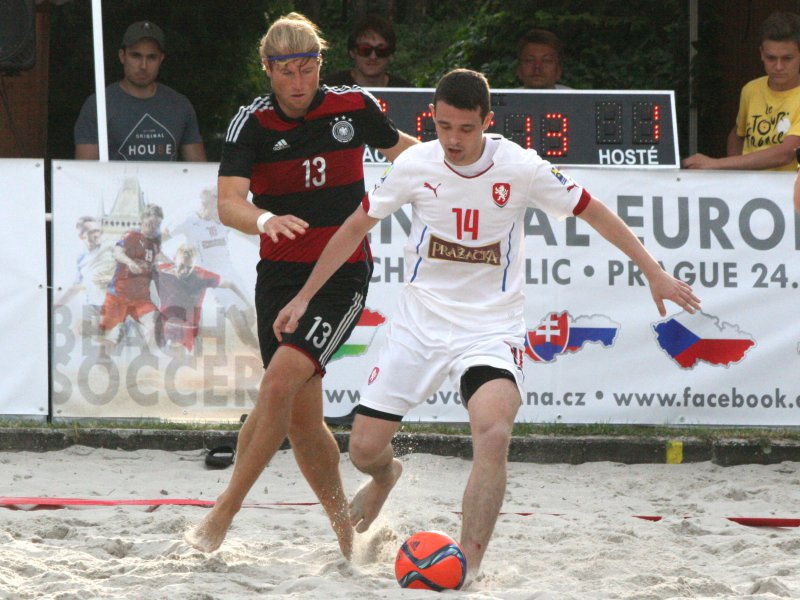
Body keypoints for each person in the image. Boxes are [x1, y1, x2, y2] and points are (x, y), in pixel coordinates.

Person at [273, 68, 701, 578]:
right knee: (364, 450)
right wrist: (304, 296)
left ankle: (467, 568)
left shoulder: (521, 167)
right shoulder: (414, 164)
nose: (453, 140)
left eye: (466, 129)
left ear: (488, 122)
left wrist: (653, 272)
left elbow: (593, 211)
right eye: (444, 126)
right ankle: (387, 477)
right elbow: (354, 227)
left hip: (489, 329)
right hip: (417, 326)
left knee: (494, 432)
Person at [183, 12, 418, 558]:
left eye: (307, 66)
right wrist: (265, 220)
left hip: (340, 272)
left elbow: (409, 152)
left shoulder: (354, 107)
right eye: (285, 69)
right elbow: (228, 203)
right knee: (298, 417)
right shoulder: (253, 122)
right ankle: (350, 530)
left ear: (320, 64)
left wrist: (472, 159)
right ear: (268, 70)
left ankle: (223, 514)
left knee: (278, 385)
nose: (298, 80)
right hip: (281, 275)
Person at [683, 11, 800, 171]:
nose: (778, 66)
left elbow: (786, 153)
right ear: (761, 54)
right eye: (771, 58)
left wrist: (717, 164)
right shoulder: (751, 89)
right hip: (749, 192)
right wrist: (737, 176)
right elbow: (738, 133)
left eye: (787, 58)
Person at [74, 21, 207, 162]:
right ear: (122, 56)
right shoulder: (98, 104)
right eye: (136, 56)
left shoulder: (180, 105)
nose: (143, 66)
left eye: (151, 57)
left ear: (161, 59)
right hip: (116, 184)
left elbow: (198, 170)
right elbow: (84, 172)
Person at [162, 187, 259, 349]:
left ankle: (253, 349)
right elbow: (158, 240)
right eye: (218, 206)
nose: (221, 211)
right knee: (238, 319)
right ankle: (262, 356)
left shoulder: (224, 220)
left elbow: (249, 231)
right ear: (208, 204)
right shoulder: (189, 221)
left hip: (230, 273)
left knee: (250, 317)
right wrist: (167, 261)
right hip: (210, 278)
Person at [155, 244, 250, 353]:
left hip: (188, 327)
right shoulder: (161, 271)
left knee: (180, 355)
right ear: (175, 260)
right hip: (166, 325)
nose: (184, 271)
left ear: (194, 265)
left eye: (189, 267)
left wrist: (247, 303)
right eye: (181, 266)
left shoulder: (201, 275)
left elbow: (230, 284)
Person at [99, 204, 165, 352]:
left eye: (157, 225)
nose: (153, 228)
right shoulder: (131, 236)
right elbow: (117, 252)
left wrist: (171, 268)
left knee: (155, 324)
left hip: (140, 299)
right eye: (150, 224)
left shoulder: (155, 245)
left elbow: (161, 264)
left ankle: (155, 363)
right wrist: (129, 262)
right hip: (118, 296)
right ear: (142, 220)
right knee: (111, 338)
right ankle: (104, 365)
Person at [54, 216, 116, 339]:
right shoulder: (82, 259)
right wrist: (56, 305)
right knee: (76, 335)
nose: (97, 234)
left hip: (114, 308)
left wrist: (112, 278)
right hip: (93, 308)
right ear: (82, 236)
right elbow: (76, 287)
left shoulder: (111, 250)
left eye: (98, 231)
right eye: (92, 232)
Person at [323, 13, 413, 88]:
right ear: (352, 52)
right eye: (365, 50)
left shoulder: (406, 92)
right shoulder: (330, 88)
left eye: (381, 50)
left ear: (390, 55)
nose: (373, 57)